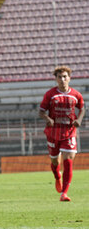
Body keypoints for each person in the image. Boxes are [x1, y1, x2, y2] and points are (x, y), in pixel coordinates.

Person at [39, 66, 85, 202]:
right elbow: (41, 111)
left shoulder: (76, 95)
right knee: (54, 161)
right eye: (60, 77)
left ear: (69, 78)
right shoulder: (50, 94)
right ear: (56, 79)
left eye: (65, 77)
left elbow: (82, 108)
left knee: (68, 160)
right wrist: (47, 119)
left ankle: (64, 193)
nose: (62, 79)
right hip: (53, 132)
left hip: (69, 132)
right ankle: (57, 176)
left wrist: (79, 119)